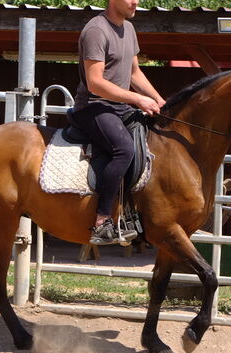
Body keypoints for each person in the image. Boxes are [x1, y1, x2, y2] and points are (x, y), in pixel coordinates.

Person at [72, 0, 166, 246]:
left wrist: (158, 100)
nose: (136, 2)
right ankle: (102, 221)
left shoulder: (129, 29)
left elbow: (134, 73)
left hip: (119, 107)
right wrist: (138, 100)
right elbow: (95, 83)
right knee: (123, 148)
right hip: (93, 107)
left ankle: (134, 215)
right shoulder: (96, 30)